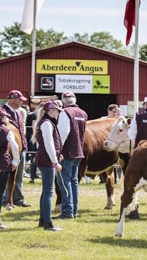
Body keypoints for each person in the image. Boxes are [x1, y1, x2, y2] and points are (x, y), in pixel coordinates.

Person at [57, 91, 87, 219]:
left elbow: (63, 133)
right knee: (74, 182)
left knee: (65, 182)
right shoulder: (83, 113)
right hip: (78, 151)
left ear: (63, 101)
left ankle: (68, 211)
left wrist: (58, 150)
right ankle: (74, 210)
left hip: (67, 152)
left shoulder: (65, 112)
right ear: (75, 100)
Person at [35, 100, 63, 231]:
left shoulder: (46, 122)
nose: (58, 113)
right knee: (48, 192)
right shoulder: (47, 123)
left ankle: (43, 220)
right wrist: (55, 161)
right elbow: (49, 144)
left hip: (46, 159)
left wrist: (57, 156)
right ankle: (48, 223)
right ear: (51, 111)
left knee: (46, 191)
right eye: (57, 110)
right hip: (47, 160)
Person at [0, 90, 29, 208]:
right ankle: (6, 199)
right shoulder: (2, 112)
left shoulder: (19, 113)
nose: (21, 102)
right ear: (13, 100)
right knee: (8, 175)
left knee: (19, 175)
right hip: (8, 149)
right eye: (20, 100)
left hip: (20, 147)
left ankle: (18, 199)